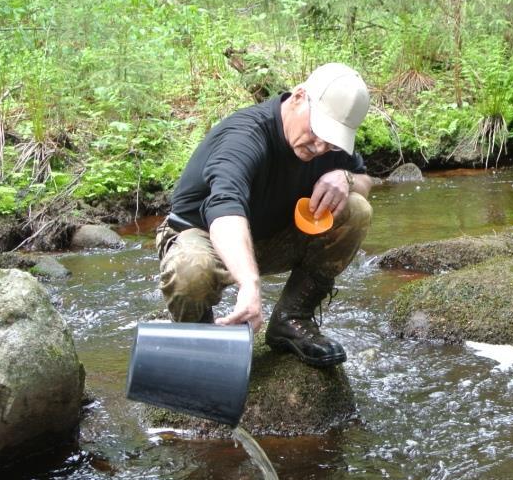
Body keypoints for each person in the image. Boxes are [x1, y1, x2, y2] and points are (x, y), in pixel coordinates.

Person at [155, 63, 373, 368]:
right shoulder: (244, 136)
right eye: (318, 131)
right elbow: (225, 209)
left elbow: (365, 181)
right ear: (298, 97)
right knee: (192, 269)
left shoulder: (329, 145)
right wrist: (249, 284)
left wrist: (346, 177)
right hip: (203, 236)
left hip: (271, 238)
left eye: (333, 141)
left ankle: (291, 320)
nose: (321, 146)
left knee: (357, 210)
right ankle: (200, 340)